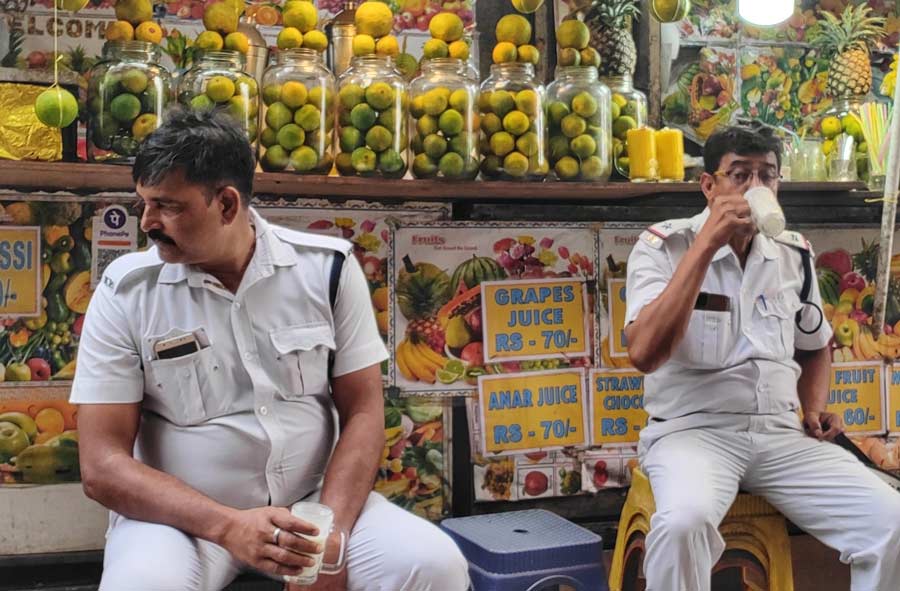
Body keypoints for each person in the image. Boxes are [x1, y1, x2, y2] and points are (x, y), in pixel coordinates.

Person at [71, 110, 469, 591]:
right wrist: (227, 525)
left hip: (313, 504)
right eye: (143, 203)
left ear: (226, 204)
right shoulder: (126, 291)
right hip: (181, 523)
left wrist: (331, 534)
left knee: (434, 566)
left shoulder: (328, 270)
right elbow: (101, 466)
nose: (148, 222)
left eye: (167, 206)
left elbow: (364, 410)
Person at [624, 125, 900, 591]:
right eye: (739, 175)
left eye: (766, 176)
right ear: (709, 186)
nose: (755, 188)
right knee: (682, 526)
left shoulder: (793, 253)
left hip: (779, 435)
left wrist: (812, 408)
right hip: (693, 433)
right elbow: (644, 353)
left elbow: (814, 347)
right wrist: (705, 245)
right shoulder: (664, 247)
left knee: (890, 520)